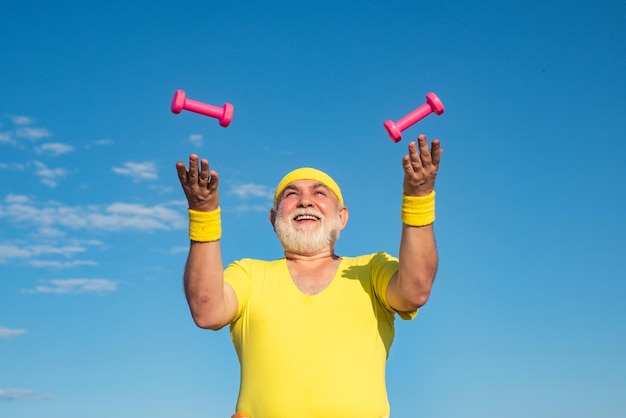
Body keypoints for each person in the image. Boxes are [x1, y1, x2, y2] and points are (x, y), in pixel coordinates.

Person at [175, 134, 442, 418]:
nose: (305, 201)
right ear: (273, 219)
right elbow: (206, 310)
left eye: (319, 193)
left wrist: (418, 197)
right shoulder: (250, 274)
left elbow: (415, 290)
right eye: (291, 195)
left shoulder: (371, 269)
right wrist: (203, 214)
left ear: (342, 217)